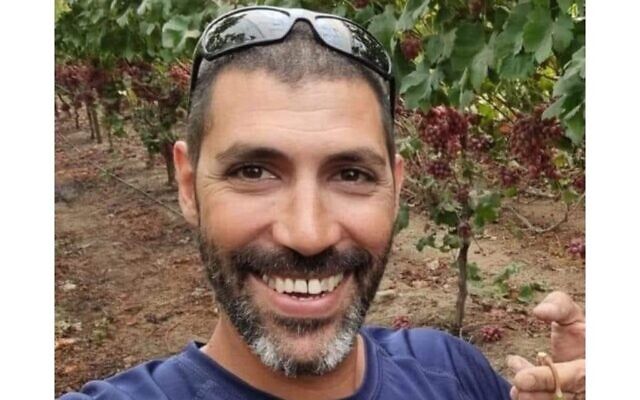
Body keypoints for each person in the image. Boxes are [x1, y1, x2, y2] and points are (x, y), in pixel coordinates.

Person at [60, 6, 585, 400]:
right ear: (187, 186)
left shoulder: (452, 372)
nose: (308, 235)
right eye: (253, 172)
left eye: (351, 175)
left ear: (396, 189)